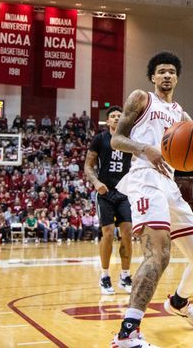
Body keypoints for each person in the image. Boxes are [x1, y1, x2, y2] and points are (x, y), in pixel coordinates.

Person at [110, 52, 193, 348]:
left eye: (171, 72)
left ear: (177, 78)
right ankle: (127, 333)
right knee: (159, 255)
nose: (166, 76)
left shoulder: (181, 115)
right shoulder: (141, 99)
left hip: (170, 186)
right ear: (153, 77)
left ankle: (179, 301)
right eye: (161, 71)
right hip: (145, 179)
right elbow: (116, 139)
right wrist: (143, 149)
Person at [85, 105, 134, 295]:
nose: (115, 118)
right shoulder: (100, 139)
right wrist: (96, 182)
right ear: (108, 121)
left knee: (128, 233)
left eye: (118, 116)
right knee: (107, 233)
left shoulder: (129, 140)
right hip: (105, 192)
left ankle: (125, 275)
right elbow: (88, 166)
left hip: (124, 193)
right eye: (112, 116)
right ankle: (105, 276)